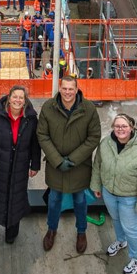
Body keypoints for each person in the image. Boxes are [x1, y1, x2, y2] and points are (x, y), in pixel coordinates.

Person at [37, 75, 101, 254]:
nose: (67, 92)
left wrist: (73, 159)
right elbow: (42, 135)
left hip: (79, 167)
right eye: (64, 88)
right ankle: (52, 230)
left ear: (76, 89)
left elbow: (94, 136)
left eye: (70, 89)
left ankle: (81, 232)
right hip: (56, 167)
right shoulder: (48, 107)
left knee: (80, 200)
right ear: (60, 88)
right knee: (54, 200)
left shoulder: (88, 109)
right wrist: (57, 160)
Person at [90, 114, 137, 274]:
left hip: (129, 198)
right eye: (117, 126)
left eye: (124, 126)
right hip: (109, 193)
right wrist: (96, 185)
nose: (120, 129)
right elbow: (97, 165)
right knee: (117, 220)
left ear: (132, 128)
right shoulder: (105, 144)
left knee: (131, 228)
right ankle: (121, 241)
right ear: (113, 127)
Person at [0, 85, 41, 244]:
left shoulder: (31, 118)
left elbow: (35, 143)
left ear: (25, 100)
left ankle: (11, 233)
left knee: (16, 198)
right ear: (9, 98)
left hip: (20, 165)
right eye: (15, 97)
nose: (18, 100)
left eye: (21, 97)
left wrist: (35, 165)